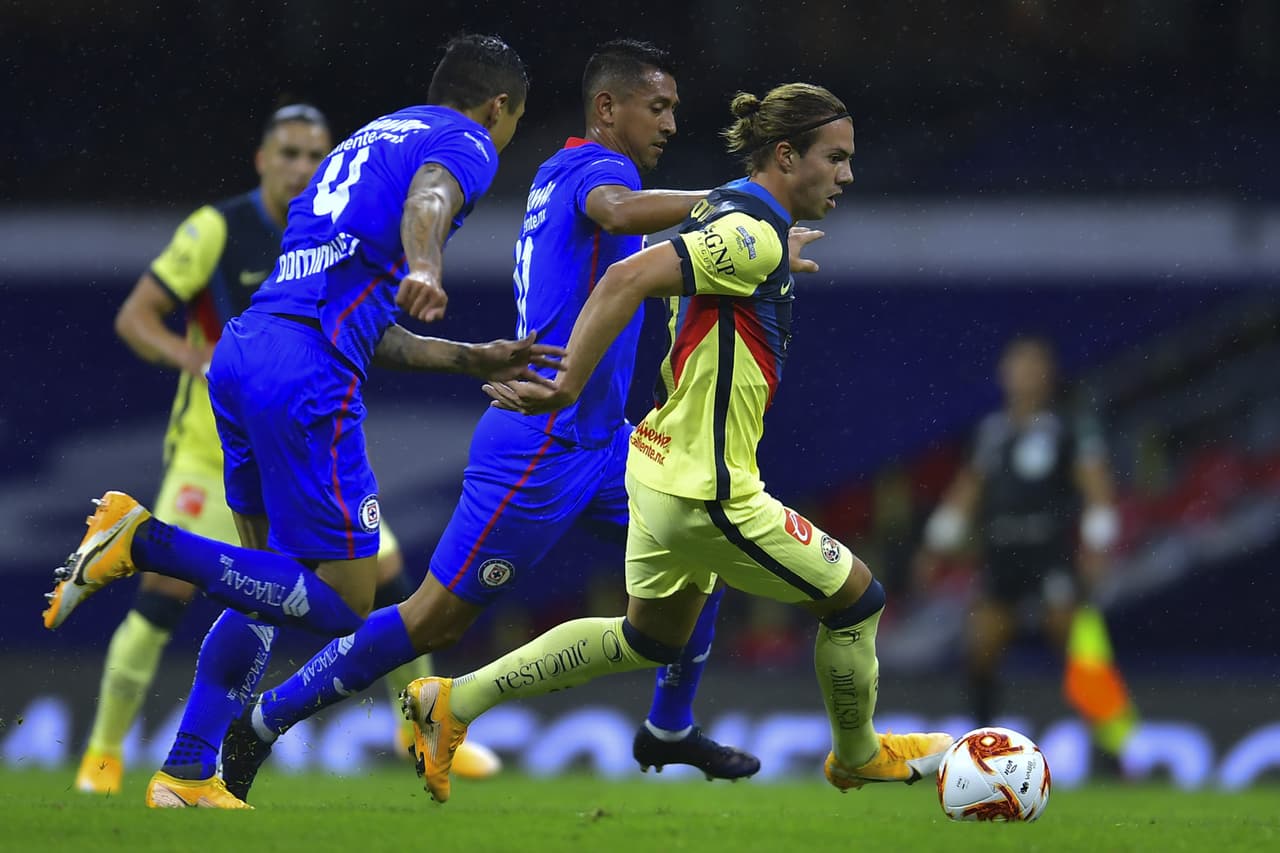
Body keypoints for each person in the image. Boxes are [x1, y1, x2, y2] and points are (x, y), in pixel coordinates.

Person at [217, 40, 761, 805]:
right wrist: (739, 200)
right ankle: (264, 719)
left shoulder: (572, 174)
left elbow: (632, 260)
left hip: (604, 440)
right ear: (608, 108)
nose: (672, 123)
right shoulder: (595, 170)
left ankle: (670, 725)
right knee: (433, 621)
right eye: (659, 107)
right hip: (539, 443)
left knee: (702, 542)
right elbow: (617, 212)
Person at [399, 82, 955, 804]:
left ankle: (453, 700)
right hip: (707, 490)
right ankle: (859, 754)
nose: (847, 174)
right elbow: (626, 276)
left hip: (657, 466)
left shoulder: (739, 217)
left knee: (647, 638)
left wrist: (772, 254)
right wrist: (566, 385)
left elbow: (683, 266)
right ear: (787, 156)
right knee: (858, 601)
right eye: (836, 158)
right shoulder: (750, 232)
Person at [44, 34, 554, 809]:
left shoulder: (363, 143)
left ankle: (187, 769)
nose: (505, 136)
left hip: (245, 352)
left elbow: (364, 324)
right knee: (347, 600)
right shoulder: (465, 140)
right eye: (512, 122)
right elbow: (431, 199)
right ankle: (142, 541)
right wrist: (425, 264)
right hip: (308, 375)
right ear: (498, 106)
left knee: (264, 586)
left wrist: (469, 359)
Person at [916, 335, 1137, 764]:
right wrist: (935, 545)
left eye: (1033, 366)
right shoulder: (991, 432)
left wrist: (1097, 545)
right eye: (1017, 366)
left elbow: (1097, 489)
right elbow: (967, 492)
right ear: (1004, 375)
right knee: (981, 648)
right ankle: (981, 750)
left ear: (1048, 374)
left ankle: (1114, 749)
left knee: (1081, 652)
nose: (1024, 375)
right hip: (1001, 553)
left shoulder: (1070, 427)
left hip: (1051, 552)